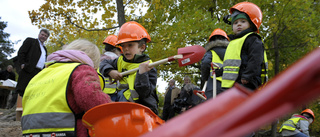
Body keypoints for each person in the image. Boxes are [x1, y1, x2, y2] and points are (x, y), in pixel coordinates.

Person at [21, 39, 112, 137]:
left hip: (29, 132)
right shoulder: (81, 68)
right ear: (92, 61)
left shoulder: (42, 73)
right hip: (66, 131)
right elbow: (92, 99)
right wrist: (112, 110)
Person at [99, 21, 159, 114]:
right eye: (123, 46)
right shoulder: (120, 61)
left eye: (130, 45)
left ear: (142, 47)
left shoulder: (149, 67)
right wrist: (110, 71)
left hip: (143, 109)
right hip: (123, 106)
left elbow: (144, 93)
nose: (126, 49)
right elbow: (103, 63)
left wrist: (142, 74)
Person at [219, 2, 268, 91]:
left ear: (251, 24)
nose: (239, 24)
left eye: (243, 21)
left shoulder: (252, 39)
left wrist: (247, 76)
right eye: (235, 22)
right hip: (234, 84)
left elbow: (255, 59)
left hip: (248, 82)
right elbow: (231, 64)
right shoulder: (233, 42)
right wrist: (218, 71)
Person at [16, 29, 50, 96]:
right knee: (22, 90)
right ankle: (18, 106)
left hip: (38, 73)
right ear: (39, 34)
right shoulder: (31, 41)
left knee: (33, 91)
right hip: (28, 69)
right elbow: (21, 52)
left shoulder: (44, 49)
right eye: (42, 34)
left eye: (45, 36)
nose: (43, 37)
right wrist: (22, 64)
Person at [201, 28, 229, 99]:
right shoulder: (232, 53)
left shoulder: (210, 52)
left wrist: (204, 79)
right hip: (229, 86)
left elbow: (205, 63)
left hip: (213, 86)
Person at [100, 35, 122, 101]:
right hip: (113, 93)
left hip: (100, 92)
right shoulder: (117, 60)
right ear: (117, 50)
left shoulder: (98, 59)